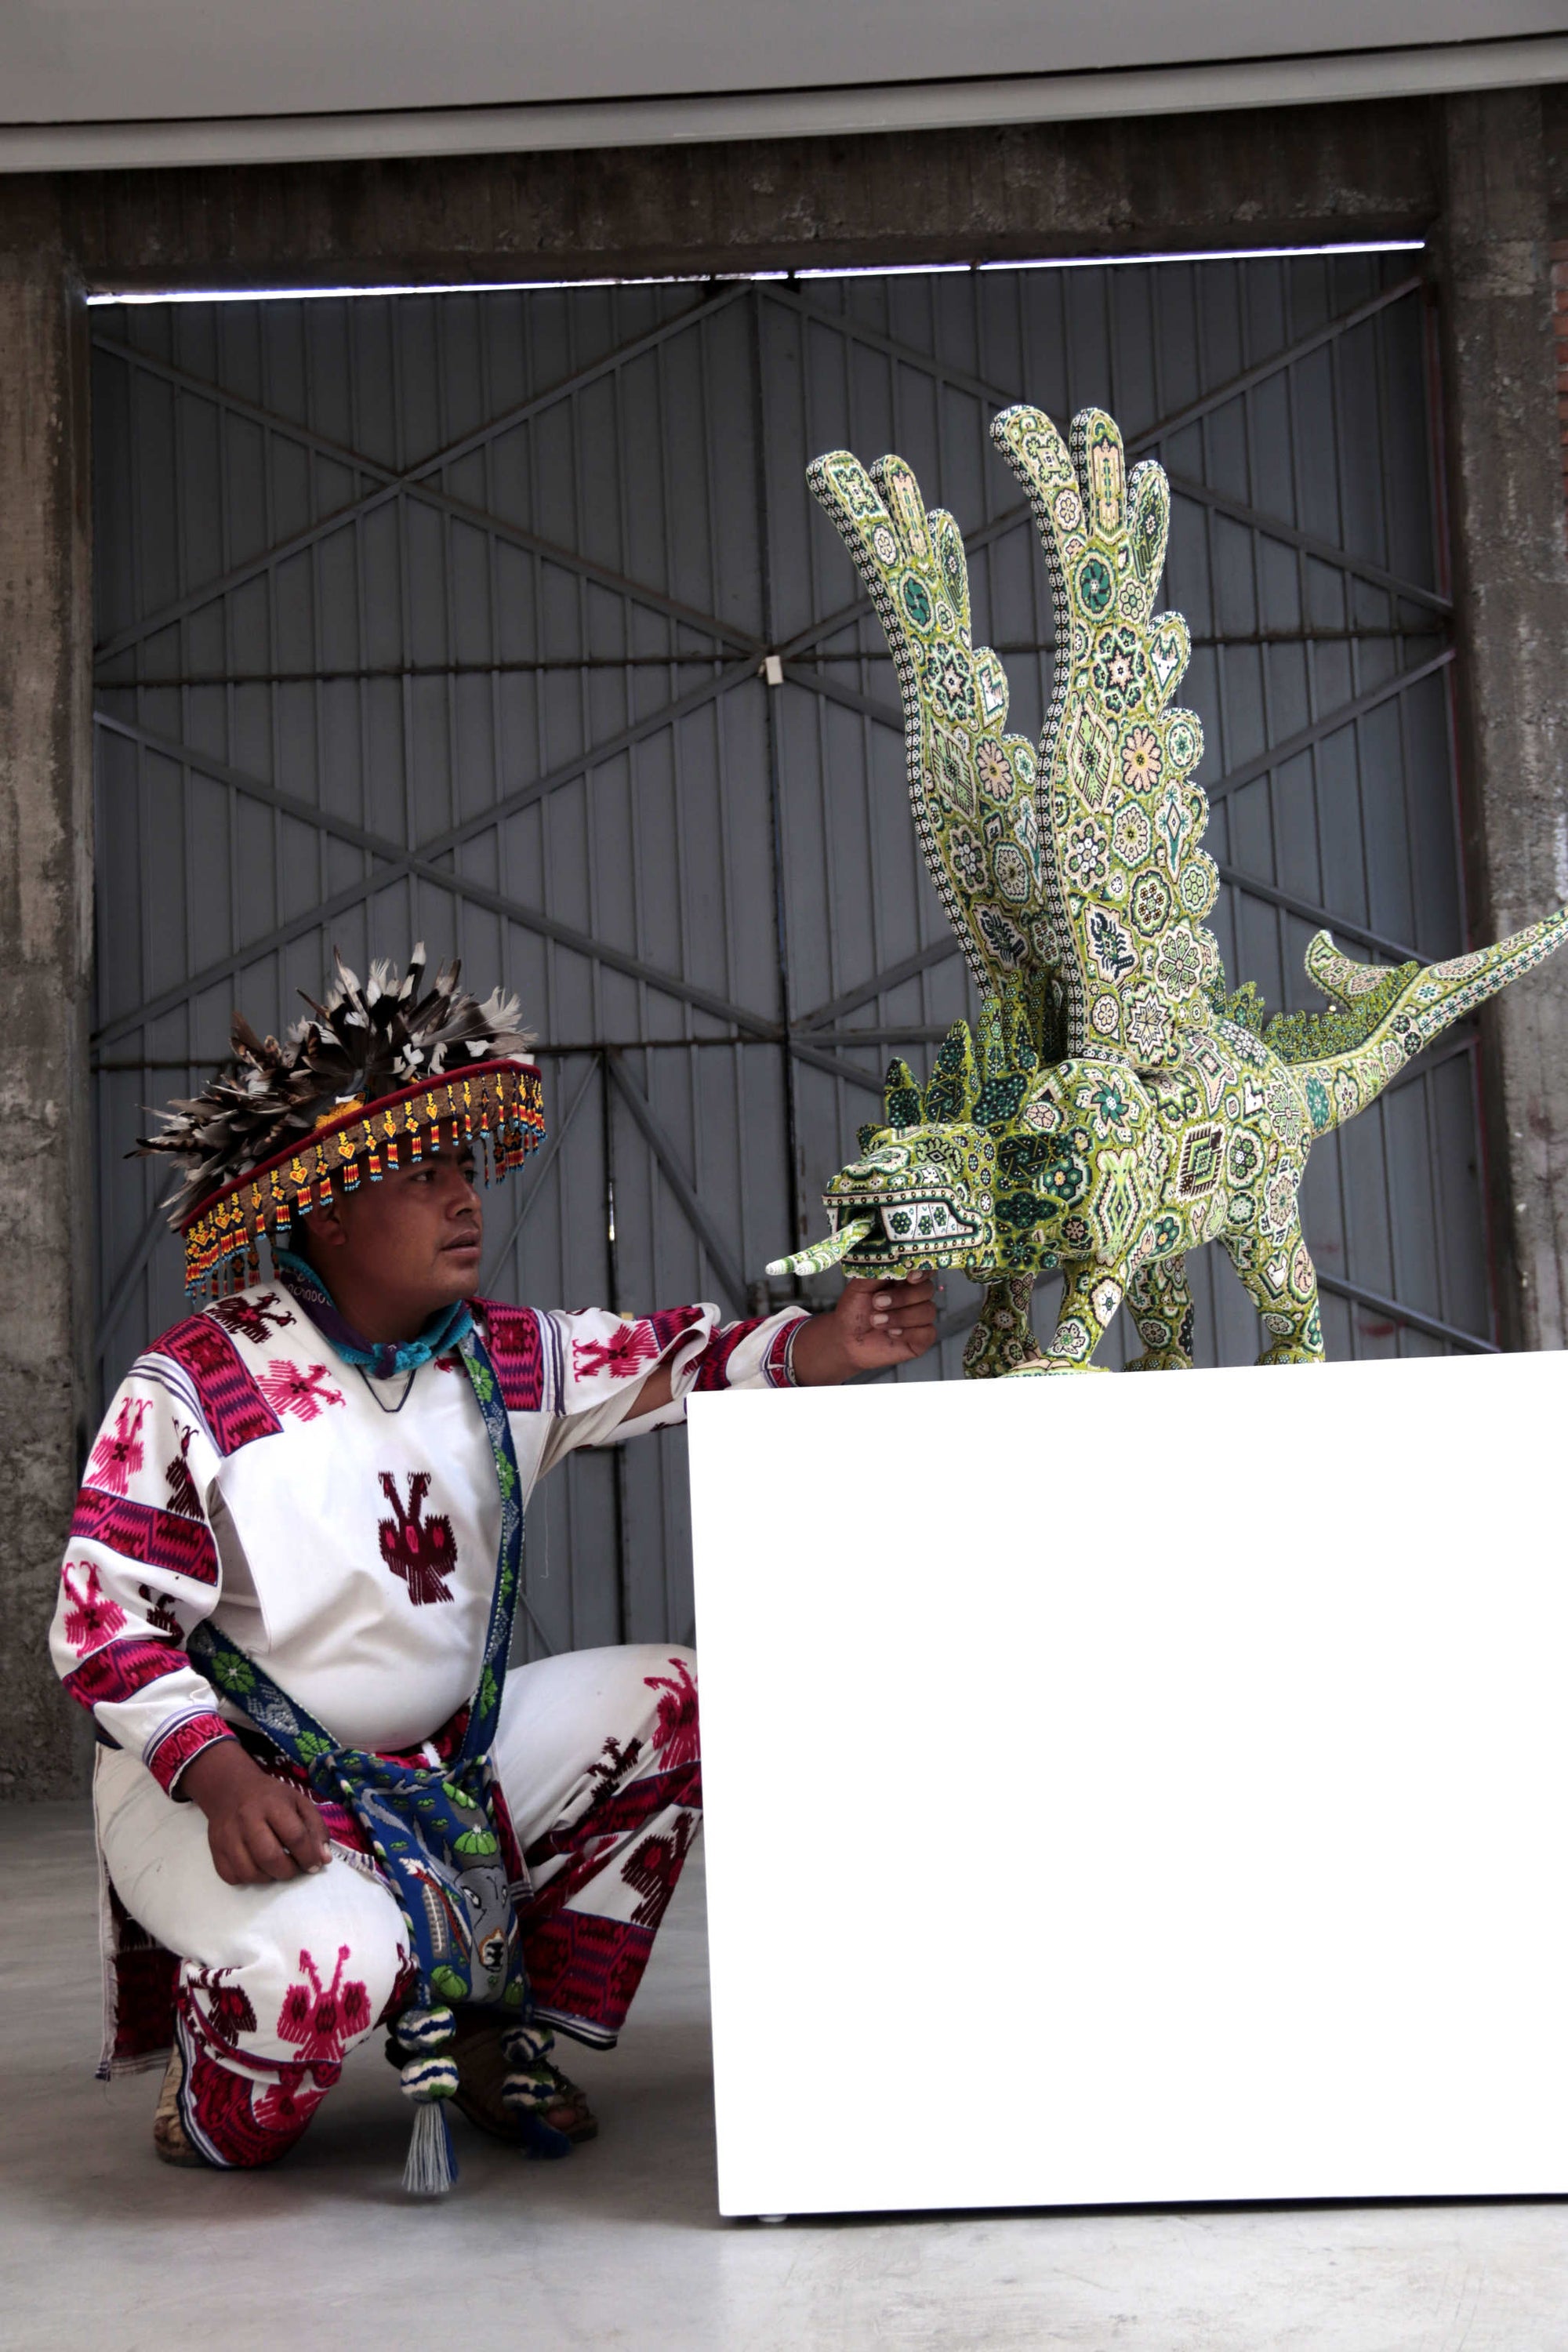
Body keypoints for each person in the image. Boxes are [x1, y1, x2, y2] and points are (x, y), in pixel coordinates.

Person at [50, 948, 936, 2183]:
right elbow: (104, 1618)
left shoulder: (501, 1362)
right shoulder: (201, 1379)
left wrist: (831, 1342)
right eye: (423, 1176)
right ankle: (213, 2078)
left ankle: (492, 2035)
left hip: (440, 1775)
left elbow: (678, 1359)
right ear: (330, 1204)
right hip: (237, 1796)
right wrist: (217, 1777)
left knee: (679, 1698)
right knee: (320, 1986)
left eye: (467, 1170)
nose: (466, 1199)